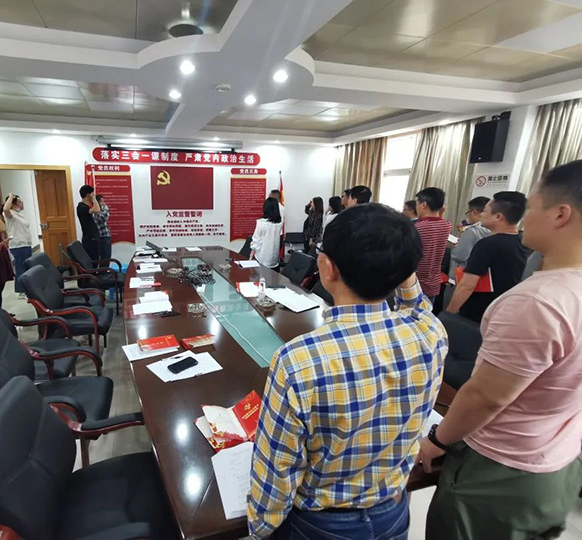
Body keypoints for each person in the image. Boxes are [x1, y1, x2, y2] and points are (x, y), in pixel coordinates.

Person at [248, 203, 448, 540]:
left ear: (327, 268)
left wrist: (260, 529)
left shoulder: (298, 360)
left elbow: (277, 470)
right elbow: (418, 306)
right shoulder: (430, 333)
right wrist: (397, 261)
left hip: (320, 525)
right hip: (393, 512)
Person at [417, 160, 582, 540]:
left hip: (499, 473)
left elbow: (486, 397)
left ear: (560, 214)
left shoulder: (539, 302)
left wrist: (438, 439)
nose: (524, 218)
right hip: (558, 461)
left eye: (533, 206)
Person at [446, 192, 531, 322]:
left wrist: (448, 314)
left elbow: (467, 285)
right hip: (504, 313)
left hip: (478, 314)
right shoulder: (524, 242)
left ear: (498, 216)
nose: (481, 215)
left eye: (485, 211)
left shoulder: (487, 245)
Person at [414, 187, 452, 302]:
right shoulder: (446, 225)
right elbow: (438, 221)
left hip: (415, 284)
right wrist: (441, 212)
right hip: (433, 283)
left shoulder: (417, 228)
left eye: (417, 204)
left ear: (424, 204)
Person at [448, 196, 490, 279]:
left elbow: (458, 256)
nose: (468, 216)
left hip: (463, 276)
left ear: (474, 212)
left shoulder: (472, 231)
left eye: (468, 212)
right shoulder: (493, 230)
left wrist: (456, 247)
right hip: (482, 276)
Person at [2, 193, 33, 299]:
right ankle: (21, 291)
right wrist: (11, 196)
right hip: (18, 245)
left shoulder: (18, 214)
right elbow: (5, 208)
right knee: (21, 268)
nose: (22, 203)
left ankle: (27, 289)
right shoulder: (9, 213)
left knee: (26, 267)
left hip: (26, 244)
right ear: (13, 204)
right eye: (20, 202)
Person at [250, 197, 284, 269]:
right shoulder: (279, 223)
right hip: (274, 260)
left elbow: (256, 241)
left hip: (261, 258)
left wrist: (251, 256)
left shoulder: (261, 223)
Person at [77, 185, 101, 261]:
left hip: (92, 239)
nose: (94, 195)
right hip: (90, 240)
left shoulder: (86, 207)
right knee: (93, 261)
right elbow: (97, 209)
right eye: (92, 194)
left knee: (96, 259)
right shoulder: (81, 207)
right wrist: (94, 198)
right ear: (88, 195)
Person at [93, 194, 113, 262]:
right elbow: (103, 218)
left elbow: (105, 216)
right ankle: (103, 269)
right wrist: (102, 208)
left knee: (107, 258)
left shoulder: (101, 209)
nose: (104, 204)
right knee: (103, 259)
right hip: (101, 238)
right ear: (97, 202)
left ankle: (105, 268)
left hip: (106, 236)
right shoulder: (94, 211)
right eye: (102, 202)